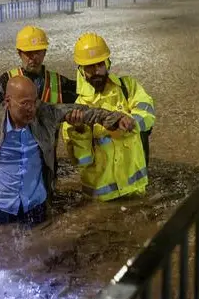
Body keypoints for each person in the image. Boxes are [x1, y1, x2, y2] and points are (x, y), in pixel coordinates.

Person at [0, 76, 134, 225]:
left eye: (34, 102)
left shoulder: (45, 113)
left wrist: (116, 119)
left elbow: (86, 112)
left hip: (35, 207)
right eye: (25, 104)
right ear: (8, 102)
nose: (31, 109)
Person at [62, 33, 155, 201]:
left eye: (99, 64)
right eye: (89, 67)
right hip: (102, 200)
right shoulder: (76, 110)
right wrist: (79, 130)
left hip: (135, 190)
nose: (96, 70)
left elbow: (148, 113)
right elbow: (82, 161)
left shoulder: (128, 87)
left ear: (108, 63)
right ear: (81, 71)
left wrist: (132, 122)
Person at [0, 25, 77, 108]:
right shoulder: (7, 80)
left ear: (44, 52)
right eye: (29, 53)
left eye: (37, 52)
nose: (34, 58)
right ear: (19, 53)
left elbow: (84, 94)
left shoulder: (59, 82)